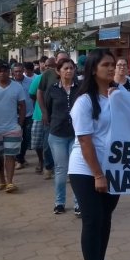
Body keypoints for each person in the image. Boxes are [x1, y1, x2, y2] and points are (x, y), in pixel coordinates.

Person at [69, 49, 121, 260]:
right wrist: (97, 174)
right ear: (93, 69)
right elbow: (85, 141)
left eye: (113, 64)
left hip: (114, 168)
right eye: (106, 65)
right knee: (92, 219)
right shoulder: (84, 102)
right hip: (85, 169)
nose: (111, 69)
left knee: (105, 219)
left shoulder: (118, 97)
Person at [45, 58, 81, 216]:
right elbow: (48, 107)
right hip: (57, 134)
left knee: (77, 170)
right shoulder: (52, 89)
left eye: (71, 68)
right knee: (61, 169)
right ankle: (59, 202)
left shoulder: (80, 88)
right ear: (58, 71)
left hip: (76, 135)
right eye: (65, 68)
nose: (69, 71)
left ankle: (79, 203)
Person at [0, 62, 26, 193]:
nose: (2, 73)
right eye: (0, 70)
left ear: (9, 71)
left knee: (10, 155)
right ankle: (1, 180)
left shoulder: (17, 87)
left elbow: (22, 105)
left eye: (5, 70)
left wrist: (20, 123)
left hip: (12, 128)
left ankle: (10, 182)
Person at [30, 58, 56, 178]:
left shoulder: (60, 77)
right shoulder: (39, 78)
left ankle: (51, 166)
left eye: (51, 66)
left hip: (57, 115)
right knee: (41, 143)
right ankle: (45, 164)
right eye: (46, 65)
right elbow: (34, 94)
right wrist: (43, 110)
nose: (47, 68)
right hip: (41, 115)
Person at [12, 63, 33, 169]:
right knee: (16, 138)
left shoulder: (30, 82)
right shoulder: (10, 84)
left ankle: (21, 158)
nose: (18, 73)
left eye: (20, 71)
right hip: (14, 116)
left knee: (26, 138)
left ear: (23, 70)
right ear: (13, 72)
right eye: (16, 71)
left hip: (29, 114)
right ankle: (19, 159)